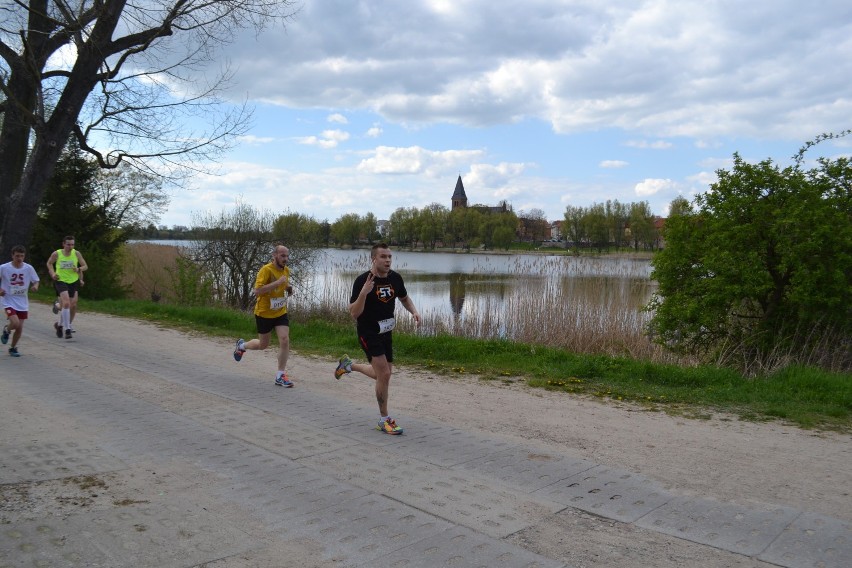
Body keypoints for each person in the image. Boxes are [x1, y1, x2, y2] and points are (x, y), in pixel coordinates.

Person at [334, 243, 420, 435]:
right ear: (374, 259)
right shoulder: (362, 281)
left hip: (386, 331)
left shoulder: (395, 278)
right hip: (368, 331)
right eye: (383, 257)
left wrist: (414, 311)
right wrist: (364, 293)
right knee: (385, 375)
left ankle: (348, 365)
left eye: (390, 257)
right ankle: (384, 419)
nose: (388, 260)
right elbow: (354, 313)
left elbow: (404, 298)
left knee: (382, 373)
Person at [232, 244, 295, 387]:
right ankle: (242, 346)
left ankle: (280, 375)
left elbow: (283, 285)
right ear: (274, 256)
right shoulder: (265, 270)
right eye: (282, 256)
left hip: (280, 312)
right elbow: (257, 291)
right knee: (263, 345)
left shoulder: (286, 270)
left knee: (284, 340)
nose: (285, 259)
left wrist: (288, 288)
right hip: (264, 313)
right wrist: (277, 282)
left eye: (287, 256)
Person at [1, 245, 41, 357]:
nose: (19, 258)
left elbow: (36, 280)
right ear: (12, 255)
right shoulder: (4, 267)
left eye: (22, 256)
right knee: (15, 322)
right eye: (17, 256)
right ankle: (6, 330)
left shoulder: (28, 268)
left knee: (19, 328)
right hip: (8, 300)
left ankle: (13, 348)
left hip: (22, 302)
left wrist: (35, 286)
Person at [46, 235, 88, 340]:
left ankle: (60, 324)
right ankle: (67, 329)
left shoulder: (76, 253)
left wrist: (78, 269)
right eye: (68, 244)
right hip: (60, 280)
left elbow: (85, 266)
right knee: (66, 304)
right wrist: (53, 273)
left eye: (72, 244)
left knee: (72, 305)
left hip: (73, 281)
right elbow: (49, 263)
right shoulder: (57, 253)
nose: (70, 247)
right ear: (63, 244)